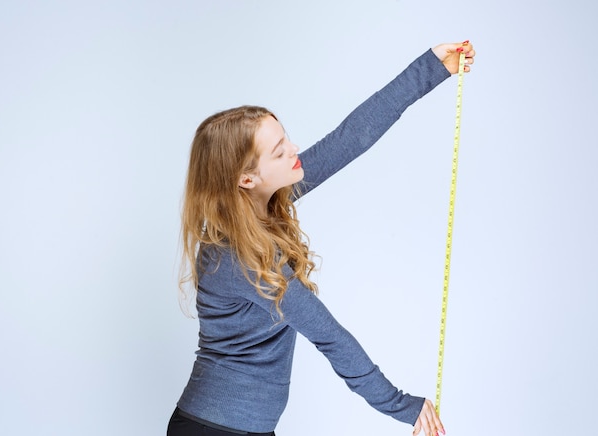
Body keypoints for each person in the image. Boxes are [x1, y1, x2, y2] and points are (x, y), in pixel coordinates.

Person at [168, 41, 476, 436]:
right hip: (213, 429)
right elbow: (329, 336)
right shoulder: (235, 257)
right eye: (279, 151)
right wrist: (404, 407)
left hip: (243, 429)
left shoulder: (264, 204)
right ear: (247, 178)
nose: (294, 150)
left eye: (287, 138)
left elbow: (350, 138)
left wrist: (432, 67)